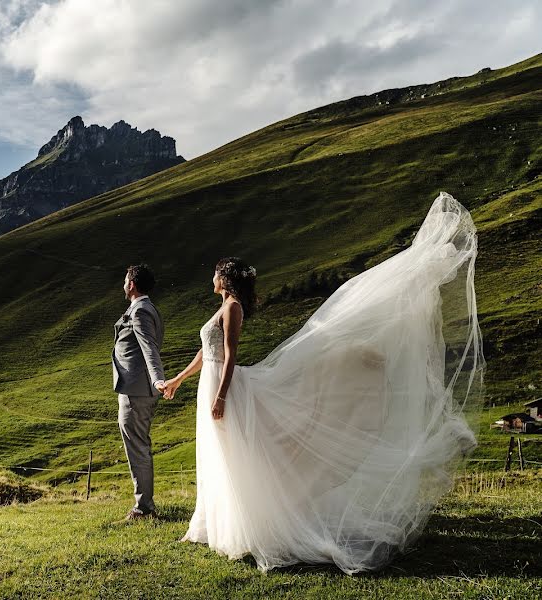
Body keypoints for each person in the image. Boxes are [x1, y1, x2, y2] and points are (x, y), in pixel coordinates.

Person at [162, 192, 484, 573]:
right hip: (211, 383)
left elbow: (230, 355)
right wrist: (179, 379)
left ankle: (246, 525)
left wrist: (221, 395)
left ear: (225, 278)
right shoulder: (221, 307)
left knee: (233, 454)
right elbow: (206, 351)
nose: (211, 276)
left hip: (223, 385)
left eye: (216, 271)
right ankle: (209, 522)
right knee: (216, 454)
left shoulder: (232, 308)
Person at [112, 264, 167, 520]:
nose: (123, 284)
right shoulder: (147, 308)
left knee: (138, 447)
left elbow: (149, 348)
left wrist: (158, 380)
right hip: (136, 388)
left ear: (131, 284)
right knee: (139, 445)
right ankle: (143, 504)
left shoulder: (141, 311)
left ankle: (144, 508)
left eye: (125, 280)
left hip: (137, 391)